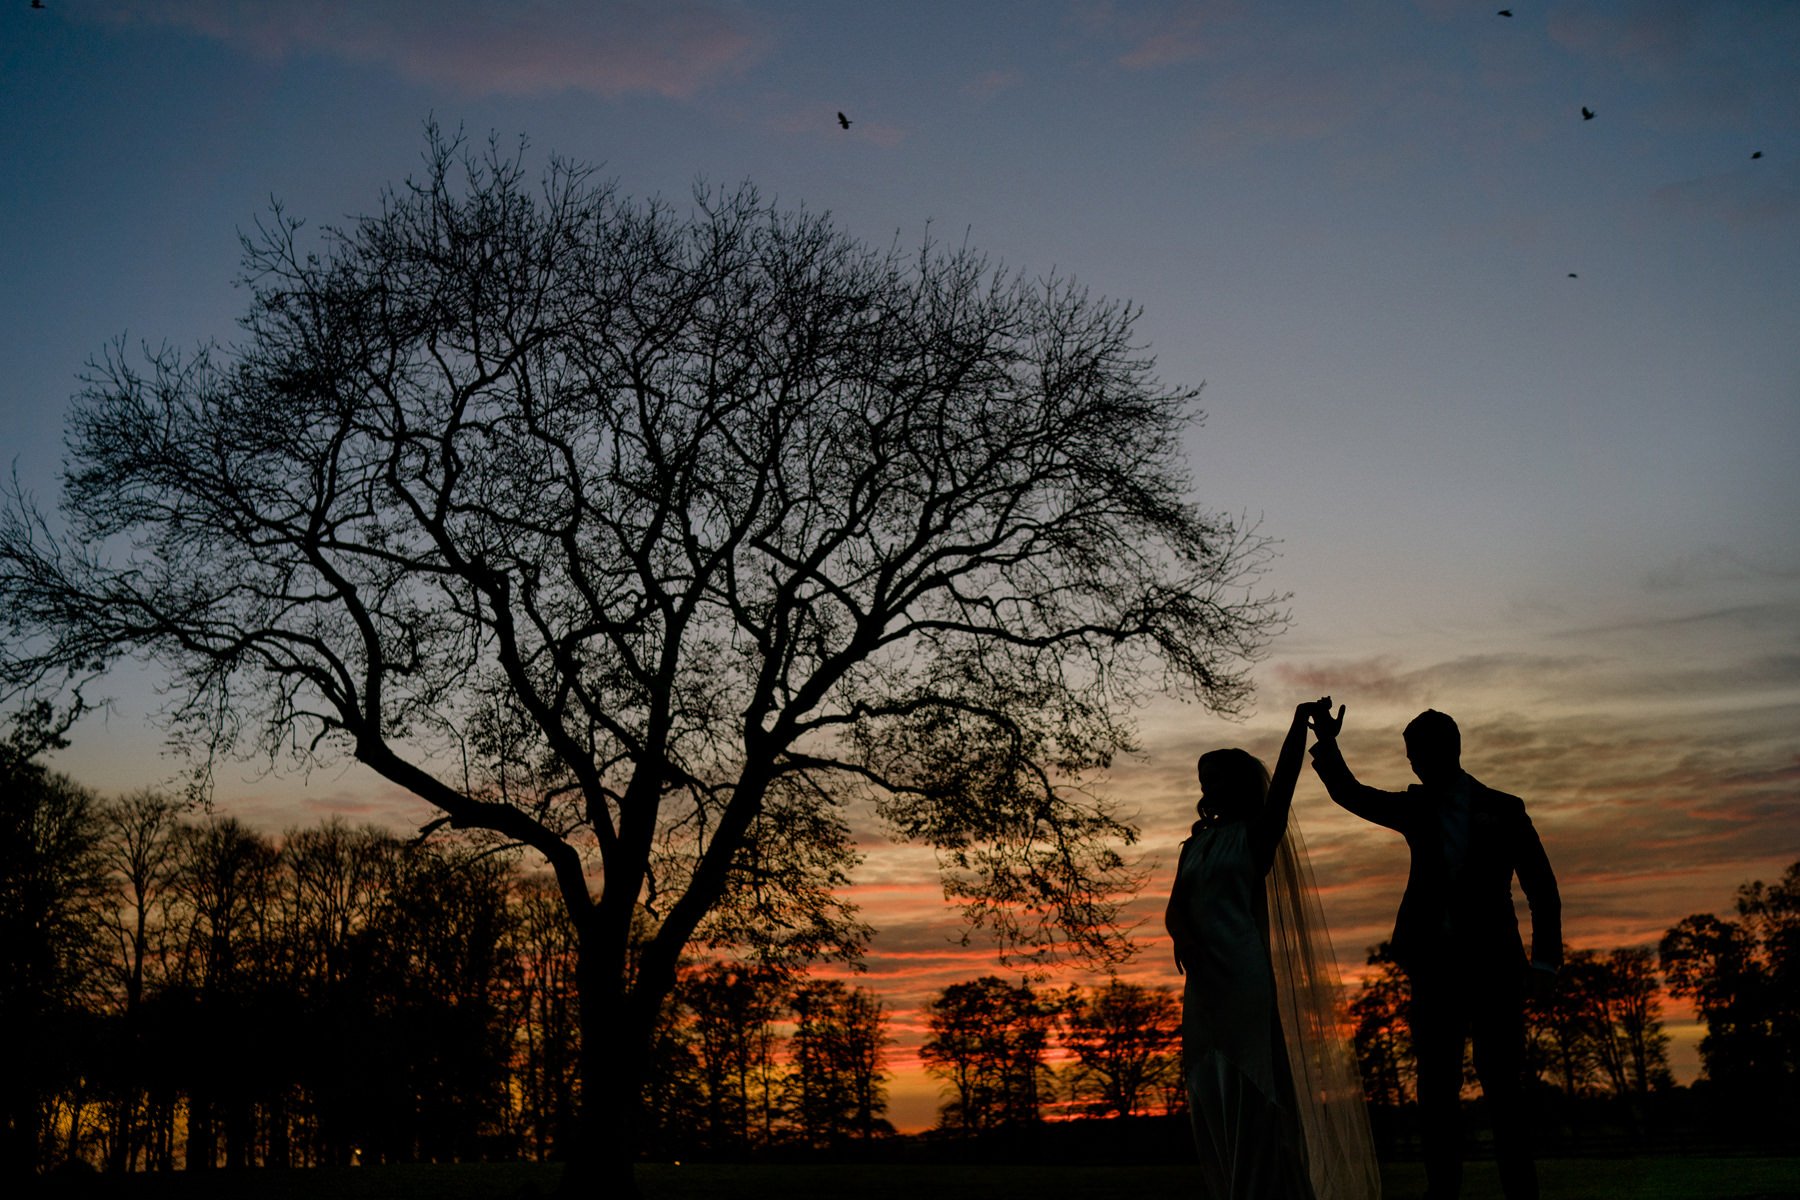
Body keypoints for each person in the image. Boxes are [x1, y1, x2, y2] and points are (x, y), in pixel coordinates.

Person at [1308, 703, 1559, 1200]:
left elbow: (1542, 889)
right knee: (1436, 1091)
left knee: (1504, 1089)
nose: (1413, 764)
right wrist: (1328, 742)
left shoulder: (1505, 808)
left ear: (1448, 750)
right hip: (1433, 969)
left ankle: (1522, 1194)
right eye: (1410, 756)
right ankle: (1442, 1192)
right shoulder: (1415, 808)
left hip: (1495, 967)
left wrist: (1545, 962)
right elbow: (1351, 795)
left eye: (1419, 753)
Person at [1166, 700, 1379, 1200]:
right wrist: (1183, 937)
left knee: (1250, 1082)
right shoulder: (1194, 843)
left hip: (1242, 976)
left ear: (1236, 785)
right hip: (1201, 983)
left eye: (1215, 779)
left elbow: (1283, 783)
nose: (1206, 789)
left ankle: (1263, 1189)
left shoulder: (1256, 835)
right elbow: (1176, 906)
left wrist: (1299, 725)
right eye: (1203, 780)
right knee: (1208, 1083)